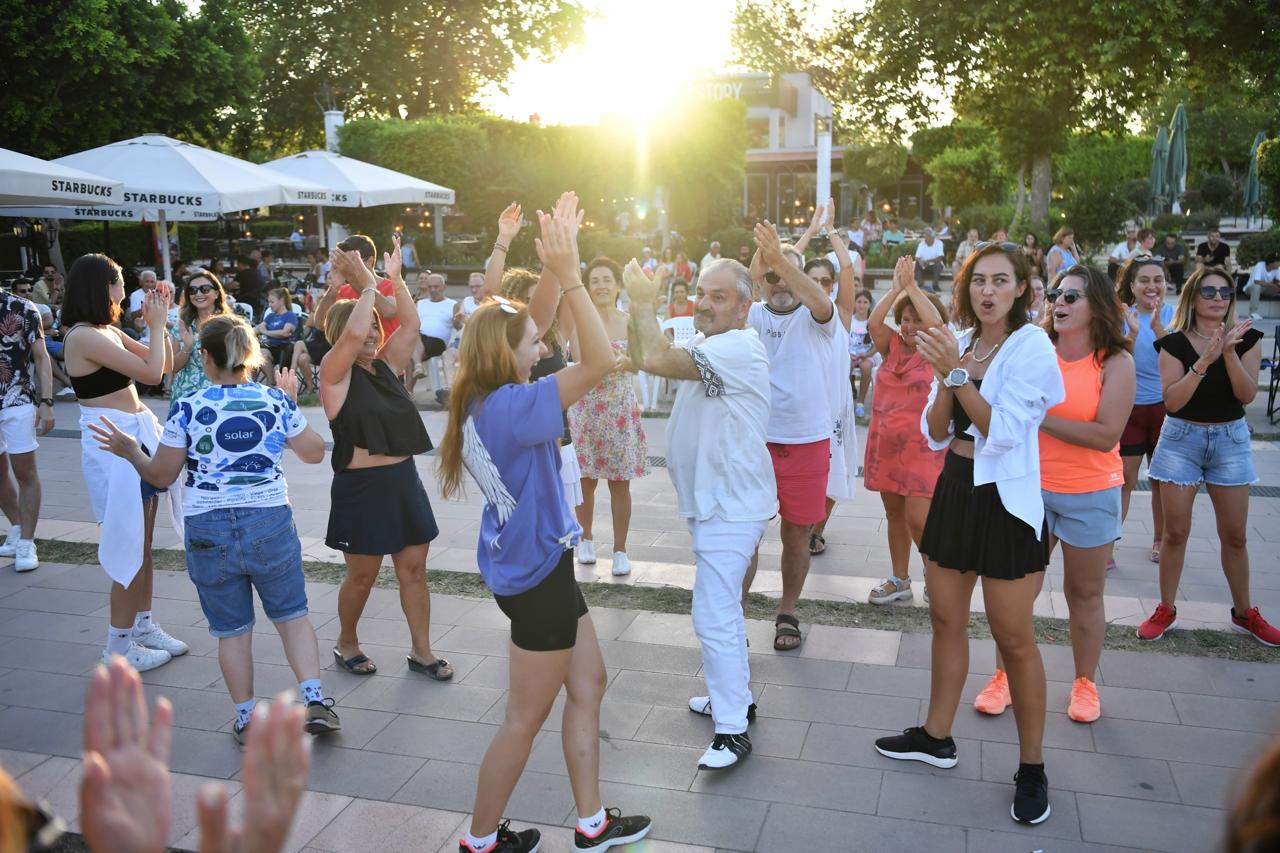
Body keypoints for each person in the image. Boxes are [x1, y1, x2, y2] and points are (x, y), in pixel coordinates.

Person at [436, 197, 652, 853]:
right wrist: (577, 275)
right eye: (535, 341)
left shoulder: (479, 391)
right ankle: (478, 841)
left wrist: (554, 257)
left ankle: (590, 823)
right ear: (512, 353)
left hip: (533, 566)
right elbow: (596, 358)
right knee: (522, 719)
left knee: (588, 682)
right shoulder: (518, 406)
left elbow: (531, 319)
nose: (543, 340)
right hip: (536, 578)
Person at [874, 242, 1064, 826]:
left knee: (1013, 638)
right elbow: (936, 430)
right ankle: (937, 736)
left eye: (1000, 280)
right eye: (978, 280)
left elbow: (1002, 431)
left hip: (1006, 499)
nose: (987, 291)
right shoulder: (963, 339)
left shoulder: (1031, 346)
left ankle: (1031, 767)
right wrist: (945, 371)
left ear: (1023, 290)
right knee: (945, 620)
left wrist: (954, 370)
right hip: (956, 488)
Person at [89, 315, 341, 742]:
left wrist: (131, 450)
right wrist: (290, 404)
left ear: (205, 357)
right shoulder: (274, 402)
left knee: (232, 630)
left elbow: (162, 475)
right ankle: (314, 699)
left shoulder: (187, 407)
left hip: (207, 526)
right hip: (268, 520)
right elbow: (315, 453)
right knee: (292, 616)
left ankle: (246, 717)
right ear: (248, 356)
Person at [624, 255, 774, 769]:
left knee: (712, 613)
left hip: (731, 506)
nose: (705, 305)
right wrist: (637, 315)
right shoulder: (713, 344)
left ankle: (732, 730)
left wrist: (643, 301)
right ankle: (731, 696)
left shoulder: (737, 347)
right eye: (701, 294)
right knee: (723, 609)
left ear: (743, 309)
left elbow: (653, 359)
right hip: (718, 502)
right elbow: (649, 351)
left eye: (718, 297)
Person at [973, 265, 1135, 724]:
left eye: (1072, 296)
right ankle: (1003, 677)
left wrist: (1034, 414)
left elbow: (1105, 436)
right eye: (1057, 294)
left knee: (1084, 593)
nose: (1059, 302)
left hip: (1092, 494)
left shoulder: (1116, 362)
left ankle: (1084, 684)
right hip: (1029, 490)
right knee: (1014, 594)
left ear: (1097, 306)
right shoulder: (1032, 348)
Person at [321, 238, 453, 679]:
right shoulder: (333, 375)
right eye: (369, 328)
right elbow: (355, 331)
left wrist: (393, 281)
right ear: (340, 337)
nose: (375, 334)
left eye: (378, 328)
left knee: (414, 571)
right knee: (361, 577)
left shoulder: (386, 365)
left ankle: (422, 650)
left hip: (402, 482)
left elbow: (410, 325)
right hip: (362, 490)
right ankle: (347, 642)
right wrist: (363, 285)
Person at [61, 254, 187, 671]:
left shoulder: (106, 331)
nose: (123, 292)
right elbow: (152, 376)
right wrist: (153, 327)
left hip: (133, 438)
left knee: (145, 545)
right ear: (100, 288)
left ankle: (143, 626)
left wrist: (163, 322)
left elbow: (165, 363)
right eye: (118, 283)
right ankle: (117, 647)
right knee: (127, 546)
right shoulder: (83, 336)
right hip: (112, 446)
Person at [1138, 267, 1276, 645]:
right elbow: (1173, 400)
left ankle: (1244, 613)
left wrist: (1228, 353)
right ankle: (1166, 608)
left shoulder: (1248, 339)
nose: (1218, 297)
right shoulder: (1173, 344)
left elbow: (1247, 396)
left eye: (1225, 291)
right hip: (1181, 438)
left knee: (1234, 535)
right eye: (1209, 291)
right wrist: (1205, 359)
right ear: (1193, 297)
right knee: (1175, 533)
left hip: (1230, 439)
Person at [742, 221, 836, 651]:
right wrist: (764, 262)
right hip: (754, 440)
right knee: (745, 532)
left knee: (797, 534)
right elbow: (743, 285)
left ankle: (788, 612)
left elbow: (817, 298)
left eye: (788, 274)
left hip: (806, 441)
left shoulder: (816, 315)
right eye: (772, 274)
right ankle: (734, 611)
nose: (781, 282)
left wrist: (783, 261)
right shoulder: (751, 315)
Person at [862, 257, 947, 604]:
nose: (910, 326)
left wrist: (912, 287)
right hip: (886, 445)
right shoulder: (890, 345)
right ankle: (900, 580)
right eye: (906, 320)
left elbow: (938, 322)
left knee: (919, 519)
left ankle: (934, 575)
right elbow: (873, 321)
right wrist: (897, 290)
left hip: (922, 449)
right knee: (894, 514)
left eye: (916, 320)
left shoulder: (936, 350)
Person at [567, 256, 647, 576]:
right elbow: (577, 356)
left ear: (617, 285)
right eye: (595, 281)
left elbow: (642, 360)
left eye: (606, 280)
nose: (601, 286)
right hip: (586, 406)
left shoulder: (630, 320)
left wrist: (626, 361)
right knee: (585, 481)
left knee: (619, 483)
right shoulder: (578, 320)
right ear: (587, 287)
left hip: (619, 409)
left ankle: (620, 550)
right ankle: (585, 540)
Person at [801, 203, 859, 557]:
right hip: (801, 410)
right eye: (813, 280)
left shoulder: (842, 315)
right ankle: (802, 525)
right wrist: (809, 232)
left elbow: (848, 267)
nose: (820, 286)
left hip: (835, 410)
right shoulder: (792, 316)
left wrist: (831, 232)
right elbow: (785, 262)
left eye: (826, 281)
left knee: (832, 475)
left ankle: (816, 530)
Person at [1115, 256, 1175, 568]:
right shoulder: (1121, 315)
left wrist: (1160, 329)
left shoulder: (1176, 314)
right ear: (1133, 285)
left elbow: (1185, 360)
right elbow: (1116, 360)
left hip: (1166, 410)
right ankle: (1108, 543)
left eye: (1158, 280)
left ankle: (1159, 540)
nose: (1152, 286)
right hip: (1129, 409)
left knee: (1160, 481)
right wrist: (1136, 331)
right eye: (1144, 280)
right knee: (1123, 478)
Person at [0, 284, 55, 572]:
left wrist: (46, 401)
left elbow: (42, 356)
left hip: (16, 399)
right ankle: (17, 528)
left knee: (24, 471)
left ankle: (26, 542)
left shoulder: (22, 307)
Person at [169, 268, 232, 402]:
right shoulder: (182, 325)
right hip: (187, 394)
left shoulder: (230, 325)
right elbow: (173, 367)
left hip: (222, 392)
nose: (198, 294)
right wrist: (187, 347)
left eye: (204, 289)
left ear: (216, 293)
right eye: (192, 290)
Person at [409, 272, 459, 403]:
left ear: (444, 287)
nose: (432, 290)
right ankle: (416, 370)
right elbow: (411, 323)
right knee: (411, 344)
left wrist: (457, 320)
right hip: (419, 337)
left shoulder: (452, 304)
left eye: (436, 287)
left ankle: (408, 389)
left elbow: (458, 326)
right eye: (430, 287)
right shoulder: (421, 303)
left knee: (411, 352)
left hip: (438, 342)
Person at [254, 287, 298, 387]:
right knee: (255, 352)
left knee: (261, 352)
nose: (269, 305)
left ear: (281, 300)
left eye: (272, 302)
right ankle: (270, 381)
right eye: (269, 302)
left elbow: (285, 333)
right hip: (270, 347)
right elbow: (258, 328)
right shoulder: (270, 316)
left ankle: (271, 383)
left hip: (285, 349)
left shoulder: (290, 316)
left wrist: (266, 332)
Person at [849, 290, 878, 418]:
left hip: (866, 355)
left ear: (869, 304)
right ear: (855, 303)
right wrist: (848, 354)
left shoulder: (872, 322)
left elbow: (877, 345)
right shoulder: (849, 320)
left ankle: (860, 402)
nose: (861, 305)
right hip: (850, 355)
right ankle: (848, 398)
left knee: (866, 367)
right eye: (859, 302)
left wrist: (866, 354)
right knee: (845, 365)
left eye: (865, 302)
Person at [1244, 252, 1280, 321]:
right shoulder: (1260, 265)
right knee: (1257, 286)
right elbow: (1257, 281)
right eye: (1278, 262)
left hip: (1265, 289)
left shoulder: (1277, 269)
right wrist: (1272, 284)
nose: (1279, 263)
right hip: (1250, 289)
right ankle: (1253, 313)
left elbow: (1278, 281)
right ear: (1272, 263)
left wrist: (1277, 285)